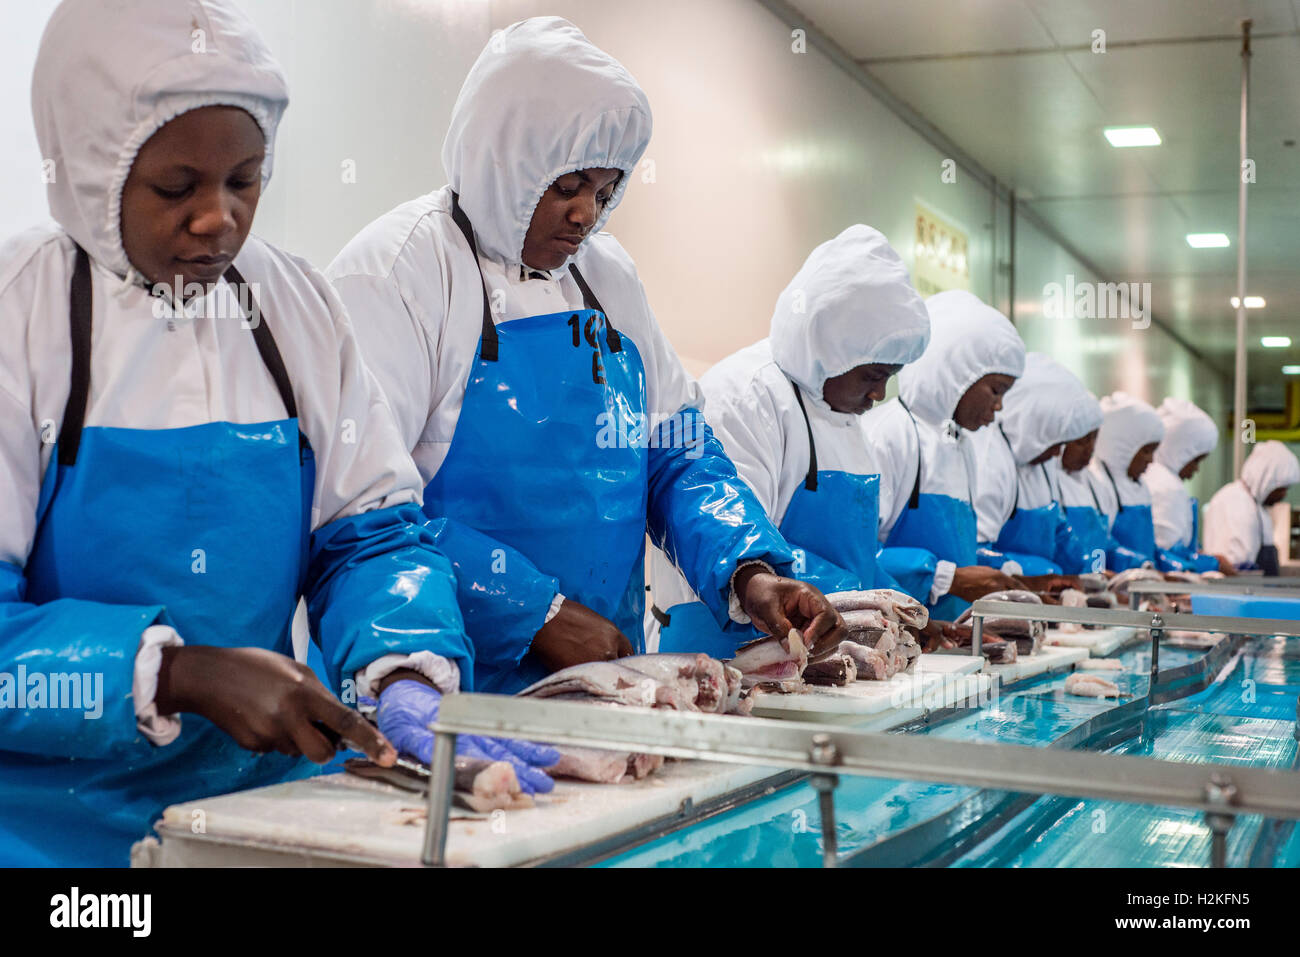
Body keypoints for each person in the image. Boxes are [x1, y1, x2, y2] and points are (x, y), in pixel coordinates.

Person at [0, 0, 538, 867]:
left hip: (264, 822)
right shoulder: (20, 318)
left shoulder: (293, 308)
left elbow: (370, 538)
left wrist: (404, 673)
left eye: (245, 181)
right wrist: (180, 674)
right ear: (92, 171)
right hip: (55, 845)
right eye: (176, 188)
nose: (219, 219)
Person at [328, 17, 844, 693]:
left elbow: (678, 452)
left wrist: (750, 570)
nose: (585, 215)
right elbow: (367, 512)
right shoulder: (398, 271)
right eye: (566, 185)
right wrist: (532, 611)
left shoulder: (608, 278)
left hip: (607, 678)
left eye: (604, 192)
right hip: (439, 682)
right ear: (501, 157)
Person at [644, 225, 931, 655]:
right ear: (832, 349)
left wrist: (902, 611)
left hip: (817, 648)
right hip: (719, 647)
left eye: (888, 378)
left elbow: (859, 561)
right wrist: (858, 598)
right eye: (872, 376)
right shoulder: (746, 396)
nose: (879, 395)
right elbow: (742, 548)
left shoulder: (846, 415)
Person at [861, 290, 1027, 622]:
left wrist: (995, 567)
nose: (998, 408)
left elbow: (955, 550)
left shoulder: (960, 445)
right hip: (888, 635)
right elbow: (857, 557)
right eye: (995, 390)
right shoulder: (888, 434)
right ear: (955, 372)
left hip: (945, 637)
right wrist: (947, 579)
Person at [970, 353, 1102, 578]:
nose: (1057, 453)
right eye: (1054, 443)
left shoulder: (1042, 463)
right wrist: (1038, 572)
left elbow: (1058, 531)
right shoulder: (990, 461)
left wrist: (1089, 573)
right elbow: (974, 554)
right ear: (1035, 426)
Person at [1146, 397, 1231, 573]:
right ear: (1180, 451)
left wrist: (1203, 557)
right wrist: (1214, 564)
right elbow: (1166, 554)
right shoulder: (1166, 486)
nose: (1196, 469)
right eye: (1195, 460)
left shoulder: (1155, 478)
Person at [1203, 441, 1300, 575]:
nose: (1283, 495)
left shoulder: (1256, 505)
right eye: (1280, 490)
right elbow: (1232, 568)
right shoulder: (1235, 502)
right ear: (1265, 482)